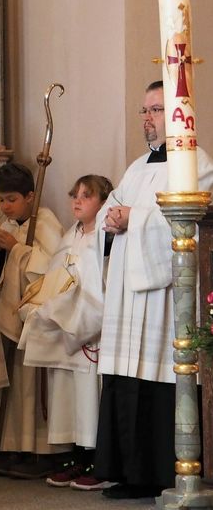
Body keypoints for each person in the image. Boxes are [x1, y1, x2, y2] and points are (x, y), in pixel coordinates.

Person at [93, 81, 213, 499]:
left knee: (159, 380)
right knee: (125, 379)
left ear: (179, 115)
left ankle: (160, 473)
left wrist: (135, 218)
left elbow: (192, 221)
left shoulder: (196, 163)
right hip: (128, 296)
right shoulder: (136, 167)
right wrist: (110, 220)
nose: (148, 118)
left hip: (164, 296)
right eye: (145, 110)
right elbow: (111, 208)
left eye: (157, 110)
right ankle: (126, 473)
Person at [0, 162, 69, 475]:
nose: (6, 206)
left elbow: (53, 270)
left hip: (35, 319)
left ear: (30, 196)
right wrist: (1, 254)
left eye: (11, 199)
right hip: (9, 315)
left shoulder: (46, 222)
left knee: (29, 385)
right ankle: (9, 446)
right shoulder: (7, 225)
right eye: (1, 200)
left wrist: (18, 251)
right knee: (10, 381)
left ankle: (35, 450)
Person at [17, 175, 115, 491]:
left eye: (87, 196)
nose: (77, 201)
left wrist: (77, 308)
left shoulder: (107, 237)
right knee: (66, 396)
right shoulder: (70, 235)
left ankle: (97, 461)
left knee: (90, 397)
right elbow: (55, 276)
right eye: (75, 195)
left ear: (105, 202)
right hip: (65, 326)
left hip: (89, 329)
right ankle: (73, 458)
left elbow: (104, 283)